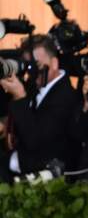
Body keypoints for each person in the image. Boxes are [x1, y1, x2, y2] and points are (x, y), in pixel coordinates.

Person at [0, 35, 80, 182]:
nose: (32, 72)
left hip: (40, 177)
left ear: (54, 63)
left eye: (37, 65)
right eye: (28, 66)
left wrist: (20, 97)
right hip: (11, 162)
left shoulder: (66, 97)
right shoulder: (33, 84)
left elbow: (35, 140)